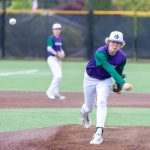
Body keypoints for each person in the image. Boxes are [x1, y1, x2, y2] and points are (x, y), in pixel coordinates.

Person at [81, 31, 133, 144]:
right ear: (108, 42)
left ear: (121, 45)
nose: (115, 44)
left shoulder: (122, 57)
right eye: (113, 41)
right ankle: (84, 113)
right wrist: (123, 83)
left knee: (101, 102)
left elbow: (119, 72)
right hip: (90, 78)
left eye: (118, 42)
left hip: (105, 80)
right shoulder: (100, 52)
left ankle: (98, 133)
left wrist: (118, 86)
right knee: (88, 107)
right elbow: (109, 68)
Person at [46, 23, 66, 100]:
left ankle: (55, 93)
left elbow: (60, 49)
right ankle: (49, 91)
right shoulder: (51, 38)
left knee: (59, 78)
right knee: (58, 76)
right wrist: (56, 54)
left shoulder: (59, 39)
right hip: (52, 59)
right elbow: (49, 48)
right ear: (53, 30)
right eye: (56, 29)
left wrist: (62, 53)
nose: (57, 30)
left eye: (59, 29)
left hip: (58, 60)